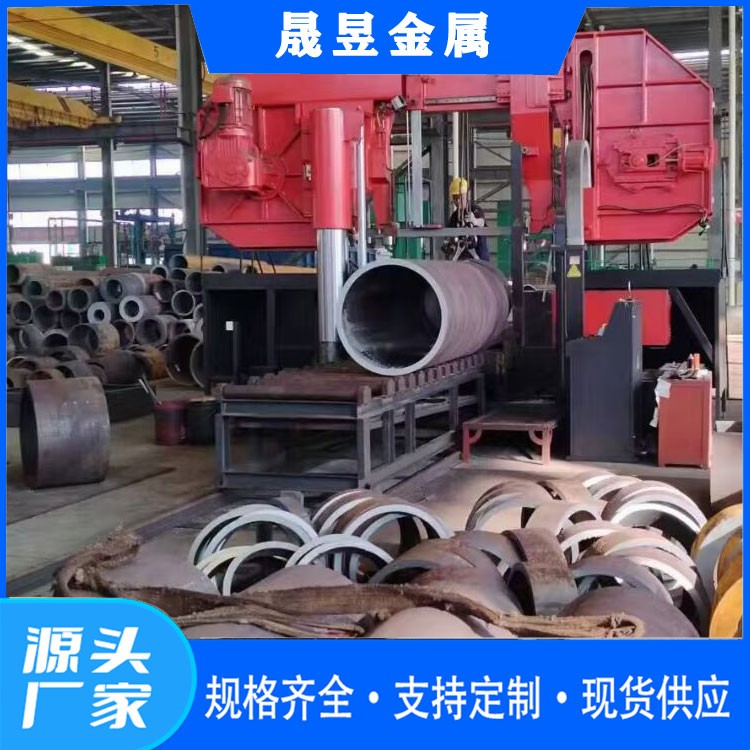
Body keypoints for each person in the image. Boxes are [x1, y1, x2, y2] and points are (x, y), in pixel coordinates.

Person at [446, 177, 490, 262]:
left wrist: (475, 221)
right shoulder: (454, 216)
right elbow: (449, 235)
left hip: (479, 257)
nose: (458, 201)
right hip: (462, 259)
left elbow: (482, 222)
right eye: (455, 198)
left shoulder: (475, 210)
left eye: (460, 197)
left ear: (467, 196)